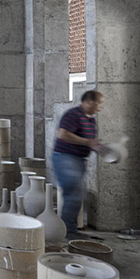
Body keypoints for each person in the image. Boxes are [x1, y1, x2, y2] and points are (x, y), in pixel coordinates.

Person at [52, 89, 105, 236]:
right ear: (88, 101)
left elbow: (86, 142)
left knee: (77, 196)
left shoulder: (90, 119)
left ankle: (69, 229)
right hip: (65, 158)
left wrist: (99, 148)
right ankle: (67, 231)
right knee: (73, 196)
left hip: (77, 160)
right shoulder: (74, 115)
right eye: (99, 102)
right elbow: (62, 134)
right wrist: (88, 142)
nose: (101, 105)